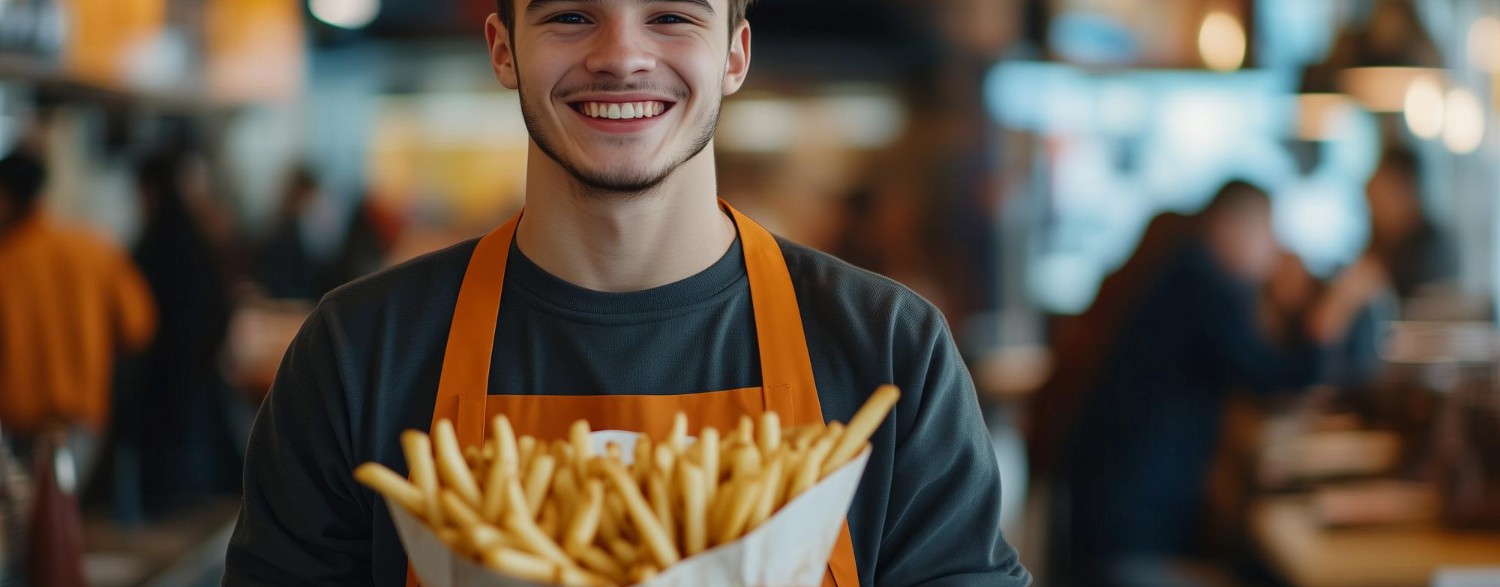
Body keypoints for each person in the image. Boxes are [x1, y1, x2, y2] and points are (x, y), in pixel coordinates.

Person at [224, 1, 1031, 586]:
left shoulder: (890, 352)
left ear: (735, 54)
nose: (620, 54)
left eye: (672, 17)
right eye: (572, 16)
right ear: (503, 49)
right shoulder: (356, 353)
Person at [1055, 181, 1328, 586]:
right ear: (1231, 227)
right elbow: (1275, 377)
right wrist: (1328, 319)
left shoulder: (1185, 273)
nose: (1275, 252)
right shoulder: (1202, 282)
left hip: (1118, 527)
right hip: (1131, 546)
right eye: (1269, 233)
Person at [0, 148, 156, 464]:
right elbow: (139, 326)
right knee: (65, 507)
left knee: (28, 507)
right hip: (83, 416)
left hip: (20, 420)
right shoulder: (93, 249)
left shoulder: (7, 262)